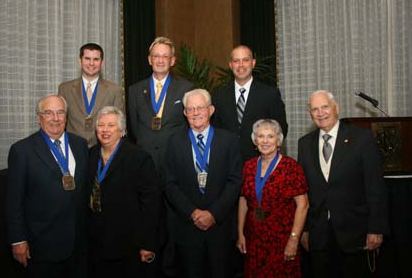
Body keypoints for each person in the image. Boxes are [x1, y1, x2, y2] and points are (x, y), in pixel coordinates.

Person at [297, 90, 389, 278]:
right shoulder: (304, 144)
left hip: (355, 232)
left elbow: (375, 187)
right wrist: (304, 229)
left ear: (336, 108)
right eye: (315, 109)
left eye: (325, 107)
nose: (320, 113)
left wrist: (376, 228)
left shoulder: (362, 138)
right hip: (319, 234)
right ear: (310, 114)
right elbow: (303, 190)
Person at [127, 36, 193, 277]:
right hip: (144, 165)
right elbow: (135, 128)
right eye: (157, 56)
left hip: (174, 163)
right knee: (148, 216)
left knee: (174, 218)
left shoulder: (185, 88)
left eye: (166, 56)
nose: (161, 60)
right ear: (149, 59)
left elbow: (189, 125)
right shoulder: (135, 90)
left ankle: (172, 267)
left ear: (173, 60)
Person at [7, 94, 89, 278]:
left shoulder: (80, 145)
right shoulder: (22, 151)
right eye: (49, 113)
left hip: (78, 243)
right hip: (42, 245)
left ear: (66, 117)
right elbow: (14, 201)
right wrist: (17, 239)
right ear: (39, 117)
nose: (55, 118)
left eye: (60, 112)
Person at [164, 88, 242, 278]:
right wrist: (193, 212)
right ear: (184, 113)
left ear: (211, 110)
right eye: (190, 109)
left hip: (220, 228)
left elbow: (235, 181)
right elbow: (169, 183)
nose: (196, 112)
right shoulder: (174, 142)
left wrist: (213, 213)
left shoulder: (229, 140)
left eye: (200, 107)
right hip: (187, 228)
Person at [88, 106, 159, 278]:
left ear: (122, 131)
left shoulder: (139, 158)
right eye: (101, 125)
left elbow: (151, 204)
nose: (105, 130)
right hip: (96, 241)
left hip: (128, 243)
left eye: (111, 125)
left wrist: (147, 244)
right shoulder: (90, 154)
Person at [236, 119, 309, 277]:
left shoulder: (291, 167)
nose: (265, 141)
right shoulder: (248, 167)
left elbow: (303, 206)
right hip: (254, 239)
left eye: (270, 136)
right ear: (255, 141)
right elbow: (243, 200)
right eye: (260, 136)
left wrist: (294, 240)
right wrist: (240, 233)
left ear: (278, 140)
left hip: (282, 241)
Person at [212, 45, 288, 162]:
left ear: (253, 63)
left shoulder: (269, 94)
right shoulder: (219, 95)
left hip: (261, 163)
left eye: (245, 60)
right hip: (227, 162)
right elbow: (215, 129)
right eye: (236, 61)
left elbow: (281, 128)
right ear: (230, 65)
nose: (241, 65)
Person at [58, 43, 123, 147]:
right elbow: (60, 122)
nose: (91, 63)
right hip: (73, 147)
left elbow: (120, 126)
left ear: (102, 62)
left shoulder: (115, 90)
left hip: (103, 148)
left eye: (96, 59)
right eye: (87, 58)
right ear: (80, 61)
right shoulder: (65, 88)